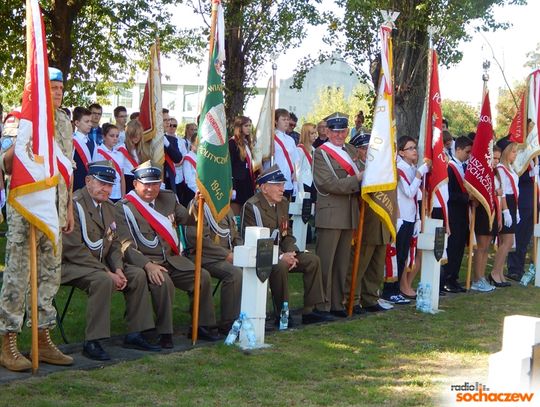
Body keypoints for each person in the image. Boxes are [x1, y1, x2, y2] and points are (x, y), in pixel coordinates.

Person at [0, 67, 74, 372]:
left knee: (49, 274)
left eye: (59, 88)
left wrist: (68, 208)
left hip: (55, 209)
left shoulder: (64, 122)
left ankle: (42, 336)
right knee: (18, 273)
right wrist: (22, 145)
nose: (56, 93)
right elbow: (4, 163)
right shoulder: (20, 119)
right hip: (25, 209)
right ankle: (8, 340)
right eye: (51, 88)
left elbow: (66, 169)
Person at [62, 161, 160, 360]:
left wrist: (118, 268)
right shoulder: (72, 205)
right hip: (72, 265)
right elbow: (73, 250)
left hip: (101, 265)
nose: (107, 189)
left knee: (137, 274)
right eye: (102, 184)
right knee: (103, 280)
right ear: (88, 181)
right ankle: (93, 341)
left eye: (110, 184)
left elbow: (114, 243)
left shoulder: (108, 207)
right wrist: (108, 272)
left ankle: (135, 333)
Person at [115, 161, 220, 344]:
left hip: (171, 260)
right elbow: (125, 245)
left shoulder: (168, 198)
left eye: (155, 183)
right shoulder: (124, 207)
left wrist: (197, 203)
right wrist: (147, 265)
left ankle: (201, 325)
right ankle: (164, 333)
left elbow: (188, 219)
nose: (151, 188)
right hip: (145, 260)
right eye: (146, 184)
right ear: (135, 183)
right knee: (163, 281)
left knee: (201, 276)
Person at [241, 165, 331, 325]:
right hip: (259, 255)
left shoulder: (282, 203)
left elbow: (286, 233)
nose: (282, 188)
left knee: (313, 260)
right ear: (264, 188)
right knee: (281, 266)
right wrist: (282, 256)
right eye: (277, 185)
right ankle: (282, 313)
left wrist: (292, 253)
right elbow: (256, 242)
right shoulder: (252, 206)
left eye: (282, 184)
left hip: (281, 252)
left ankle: (311, 310)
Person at [313, 112, 362, 316]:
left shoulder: (351, 150)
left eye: (343, 131)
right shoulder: (321, 153)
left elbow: (363, 170)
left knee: (342, 263)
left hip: (349, 212)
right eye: (335, 131)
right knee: (326, 263)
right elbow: (329, 183)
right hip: (331, 212)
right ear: (328, 132)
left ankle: (336, 303)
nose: (339, 135)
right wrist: (358, 179)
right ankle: (320, 304)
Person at [347, 133, 392, 313]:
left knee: (376, 263)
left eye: (370, 148)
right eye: (364, 148)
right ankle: (354, 298)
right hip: (365, 222)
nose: (367, 151)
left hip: (381, 220)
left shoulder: (383, 167)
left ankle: (370, 297)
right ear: (357, 150)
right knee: (360, 263)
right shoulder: (355, 168)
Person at [382, 136, 428, 303]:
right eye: (410, 148)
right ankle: (389, 290)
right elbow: (408, 192)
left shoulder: (411, 168)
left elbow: (417, 195)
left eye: (414, 147)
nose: (414, 150)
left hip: (410, 217)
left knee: (404, 256)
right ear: (401, 152)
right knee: (396, 255)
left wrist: (417, 219)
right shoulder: (400, 168)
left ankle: (397, 290)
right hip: (400, 218)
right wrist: (419, 174)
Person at [185, 205, 242, 333]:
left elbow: (235, 235)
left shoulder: (226, 206)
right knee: (234, 273)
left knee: (253, 266)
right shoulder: (199, 204)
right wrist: (226, 255)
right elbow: (198, 239)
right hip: (204, 256)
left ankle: (252, 316)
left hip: (227, 255)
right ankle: (229, 322)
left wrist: (241, 252)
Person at [442, 136, 473, 293]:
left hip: (463, 215)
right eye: (467, 151)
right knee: (452, 247)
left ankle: (454, 278)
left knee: (460, 246)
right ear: (458, 149)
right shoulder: (450, 167)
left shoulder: (465, 167)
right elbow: (450, 194)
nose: (469, 155)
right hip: (453, 214)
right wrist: (467, 197)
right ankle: (446, 278)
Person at [471, 146, 500, 292]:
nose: (496, 161)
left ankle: (482, 277)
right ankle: (477, 278)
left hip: (494, 211)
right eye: (494, 158)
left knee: (487, 247)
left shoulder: (496, 173)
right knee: (481, 247)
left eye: (498, 159)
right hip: (483, 211)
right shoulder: (483, 173)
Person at [490, 137, 519, 287]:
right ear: (506, 152)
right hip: (505, 204)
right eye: (513, 151)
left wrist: (516, 210)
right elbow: (502, 192)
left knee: (508, 242)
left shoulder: (511, 168)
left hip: (513, 204)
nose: (515, 154)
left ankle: (500, 272)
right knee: (506, 242)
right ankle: (495, 272)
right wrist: (506, 211)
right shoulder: (501, 168)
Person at [229, 116, 255, 215]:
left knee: (246, 212)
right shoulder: (232, 143)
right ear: (239, 127)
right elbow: (230, 167)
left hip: (247, 181)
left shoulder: (247, 142)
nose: (249, 128)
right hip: (237, 182)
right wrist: (233, 187)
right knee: (236, 212)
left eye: (250, 126)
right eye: (246, 126)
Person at [94, 124, 126, 202]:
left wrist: (123, 196)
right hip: (104, 193)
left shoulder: (119, 154)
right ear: (104, 137)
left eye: (117, 136)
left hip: (117, 195)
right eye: (112, 136)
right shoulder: (98, 152)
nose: (115, 139)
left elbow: (122, 177)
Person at [274, 108, 300, 199]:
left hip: (288, 179)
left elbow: (295, 160)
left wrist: (295, 177)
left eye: (288, 120)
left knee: (285, 209)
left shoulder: (290, 140)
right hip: (274, 180)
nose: (286, 122)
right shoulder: (271, 137)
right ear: (276, 121)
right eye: (283, 119)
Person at [161, 109, 183, 194]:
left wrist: (167, 143)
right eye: (164, 120)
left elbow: (178, 158)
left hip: (168, 181)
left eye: (168, 120)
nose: (168, 123)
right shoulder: (149, 139)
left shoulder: (171, 140)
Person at [181, 132, 198, 208]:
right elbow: (189, 181)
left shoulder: (203, 159)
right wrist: (199, 191)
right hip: (192, 192)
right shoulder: (188, 158)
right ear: (192, 144)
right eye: (197, 144)